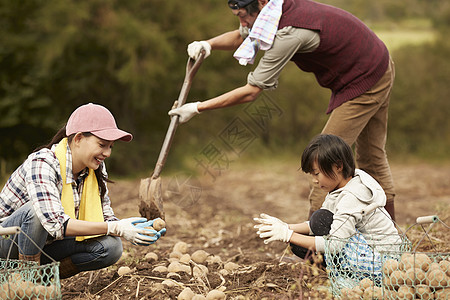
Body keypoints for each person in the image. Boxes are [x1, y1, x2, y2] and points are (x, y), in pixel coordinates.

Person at [168, 0, 396, 221]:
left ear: (261, 2)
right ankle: (390, 237)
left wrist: (198, 107)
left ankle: (316, 253)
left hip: (365, 78)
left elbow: (251, 91)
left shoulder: (289, 33)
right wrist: (208, 44)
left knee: (323, 161)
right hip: (377, 63)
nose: (243, 22)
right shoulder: (273, 10)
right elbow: (242, 35)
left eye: (243, 16)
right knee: (371, 157)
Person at [0, 103, 165, 279]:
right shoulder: (43, 163)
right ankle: (26, 280)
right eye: (102, 145)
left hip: (46, 243)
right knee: (35, 211)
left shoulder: (95, 169)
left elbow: (105, 218)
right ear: (78, 139)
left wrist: (132, 228)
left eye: (110, 147)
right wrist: (116, 227)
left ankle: (43, 277)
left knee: (111, 247)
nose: (107, 153)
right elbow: (55, 223)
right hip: (7, 244)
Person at [253, 134, 399, 268]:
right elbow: (320, 224)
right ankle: (333, 267)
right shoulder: (341, 186)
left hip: (381, 260)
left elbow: (335, 244)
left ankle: (341, 270)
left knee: (317, 221)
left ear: (338, 166)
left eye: (316, 173)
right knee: (303, 239)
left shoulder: (352, 196)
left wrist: (287, 235)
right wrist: (286, 227)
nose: (314, 181)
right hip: (363, 248)